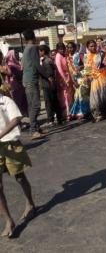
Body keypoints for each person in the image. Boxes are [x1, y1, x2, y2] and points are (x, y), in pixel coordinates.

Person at [0, 93, 35, 238]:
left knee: (19, 177)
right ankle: (8, 221)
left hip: (10, 145)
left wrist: (0, 134)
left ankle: (30, 203)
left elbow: (16, 119)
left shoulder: (5, 100)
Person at [21, 29, 53, 140]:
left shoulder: (26, 49)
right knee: (36, 105)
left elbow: (24, 66)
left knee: (31, 106)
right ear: (34, 38)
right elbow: (37, 65)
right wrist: (47, 76)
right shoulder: (34, 48)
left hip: (26, 80)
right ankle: (34, 130)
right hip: (32, 80)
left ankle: (35, 128)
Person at [84, 40, 106, 122]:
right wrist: (86, 77)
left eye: (94, 45)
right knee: (94, 98)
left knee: (103, 96)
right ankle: (97, 115)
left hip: (102, 77)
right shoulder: (86, 56)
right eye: (91, 46)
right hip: (93, 79)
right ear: (88, 47)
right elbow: (87, 68)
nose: (93, 47)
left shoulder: (101, 54)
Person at [39, 45, 62, 125]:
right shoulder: (48, 60)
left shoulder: (46, 61)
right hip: (49, 85)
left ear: (43, 51)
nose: (39, 53)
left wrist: (51, 83)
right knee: (53, 102)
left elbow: (50, 74)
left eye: (40, 51)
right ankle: (59, 118)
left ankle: (51, 119)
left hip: (48, 85)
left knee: (50, 102)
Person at [67, 42, 90, 120]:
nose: (70, 49)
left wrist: (82, 67)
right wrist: (74, 81)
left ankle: (84, 112)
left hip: (82, 77)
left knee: (82, 95)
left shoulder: (80, 55)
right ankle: (78, 112)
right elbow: (69, 71)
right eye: (68, 47)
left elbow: (87, 64)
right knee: (77, 96)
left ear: (75, 48)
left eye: (72, 47)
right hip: (75, 79)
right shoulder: (68, 58)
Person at [1, 50, 28, 117]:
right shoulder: (9, 65)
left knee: (22, 99)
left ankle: (23, 113)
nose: (16, 54)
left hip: (19, 84)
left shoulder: (16, 63)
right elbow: (10, 73)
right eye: (14, 53)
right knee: (17, 101)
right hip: (13, 84)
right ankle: (18, 116)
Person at [55, 42, 74, 120]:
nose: (62, 50)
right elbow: (59, 69)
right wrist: (64, 79)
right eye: (60, 49)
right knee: (65, 97)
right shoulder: (58, 56)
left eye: (63, 49)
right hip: (62, 79)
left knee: (69, 95)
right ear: (57, 50)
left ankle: (71, 112)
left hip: (67, 77)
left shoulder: (64, 55)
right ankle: (67, 114)